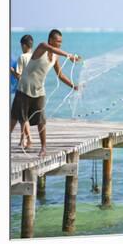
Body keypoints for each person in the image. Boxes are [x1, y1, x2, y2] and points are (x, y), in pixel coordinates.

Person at [18, 29, 80, 157]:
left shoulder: (56, 56)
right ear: (50, 40)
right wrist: (69, 56)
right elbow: (50, 48)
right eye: (58, 41)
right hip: (24, 87)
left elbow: (60, 75)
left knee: (41, 119)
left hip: (39, 89)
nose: (60, 44)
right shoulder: (42, 47)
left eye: (61, 42)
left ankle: (43, 148)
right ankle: (25, 140)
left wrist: (73, 85)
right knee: (23, 117)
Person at [10, 34, 34, 146]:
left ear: (24, 45)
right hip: (32, 90)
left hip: (22, 90)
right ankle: (23, 139)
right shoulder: (35, 57)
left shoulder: (22, 57)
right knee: (22, 116)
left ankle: (28, 139)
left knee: (17, 116)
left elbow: (19, 76)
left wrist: (11, 71)